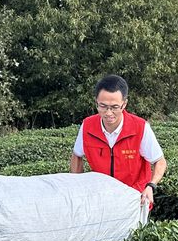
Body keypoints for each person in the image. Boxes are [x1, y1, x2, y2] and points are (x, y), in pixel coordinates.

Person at [70, 74, 166, 208]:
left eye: (114, 107)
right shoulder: (87, 126)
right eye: (103, 106)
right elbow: (77, 155)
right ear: (96, 102)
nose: (108, 113)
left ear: (124, 104)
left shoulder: (140, 127)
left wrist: (151, 186)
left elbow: (159, 161)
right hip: (101, 199)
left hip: (135, 199)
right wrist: (77, 187)